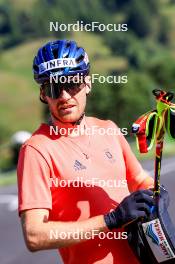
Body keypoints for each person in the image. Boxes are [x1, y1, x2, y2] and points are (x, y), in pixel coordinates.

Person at [17, 40, 155, 264]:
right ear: (43, 93)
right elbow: (34, 235)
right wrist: (111, 220)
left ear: (88, 83)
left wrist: (156, 193)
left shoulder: (109, 129)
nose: (63, 96)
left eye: (71, 84)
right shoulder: (36, 149)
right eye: (53, 88)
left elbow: (139, 180)